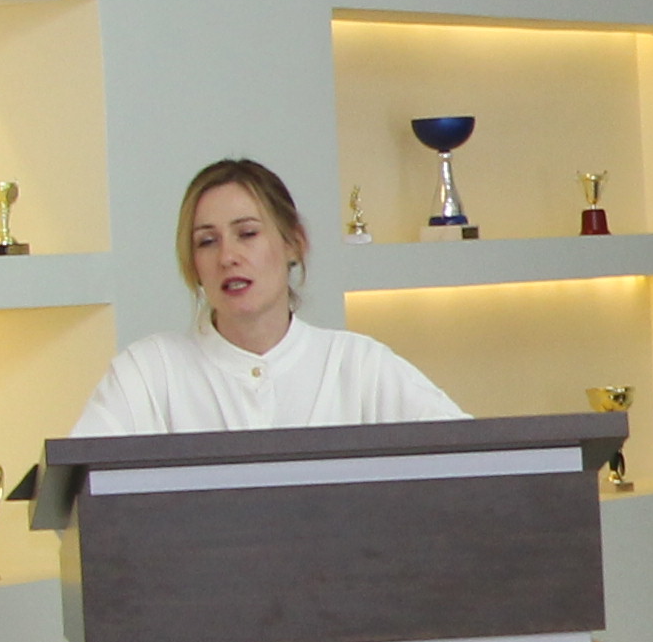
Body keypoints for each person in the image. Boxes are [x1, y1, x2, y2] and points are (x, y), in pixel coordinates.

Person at [70, 160, 462, 436]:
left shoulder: (359, 366)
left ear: (294, 243)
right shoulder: (147, 373)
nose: (227, 257)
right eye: (207, 241)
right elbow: (77, 496)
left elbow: (469, 462)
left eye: (247, 234)